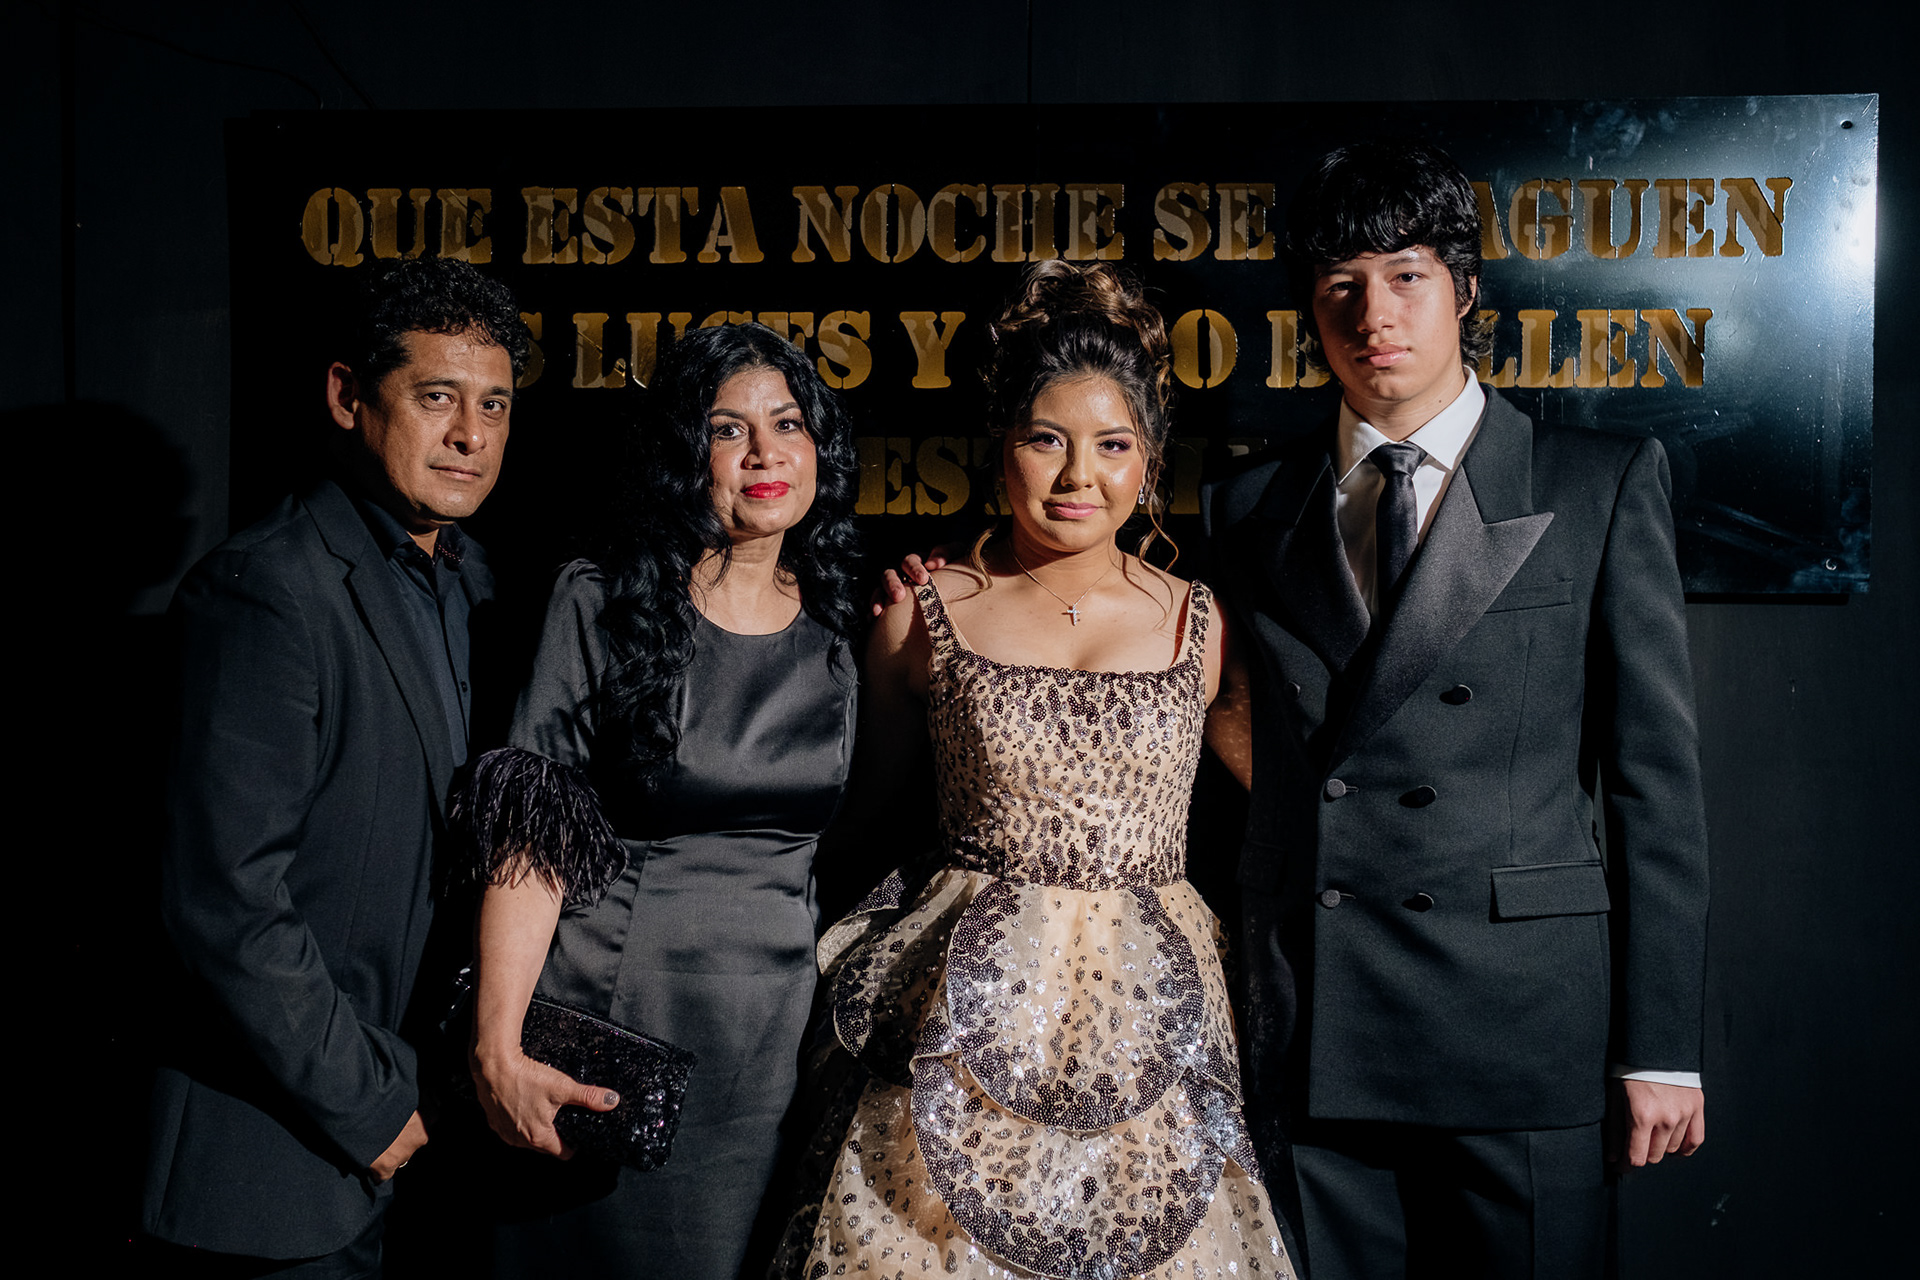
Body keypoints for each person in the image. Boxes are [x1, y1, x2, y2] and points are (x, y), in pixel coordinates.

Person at [1203, 139, 1710, 1278]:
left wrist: (1662, 1047)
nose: (1372, 314)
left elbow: (1654, 787)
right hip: (1318, 1016)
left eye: (1406, 276)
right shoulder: (1245, 503)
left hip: (1519, 1023)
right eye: (1340, 284)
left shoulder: (1595, 481)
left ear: (1466, 289)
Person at [777, 261, 1297, 1280]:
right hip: (962, 1018)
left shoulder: (1202, 621)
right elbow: (856, 821)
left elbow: (1293, 806)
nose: (1077, 476)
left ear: (1149, 459)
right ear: (1000, 447)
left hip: (1154, 1023)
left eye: (1113, 445)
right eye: (1045, 439)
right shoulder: (921, 612)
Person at [142, 258, 528, 1273]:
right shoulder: (264, 589)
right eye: (437, 396)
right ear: (349, 395)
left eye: (494, 404)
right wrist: (369, 1101)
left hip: (435, 1157)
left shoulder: (476, 585)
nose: (471, 433)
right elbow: (221, 899)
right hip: (280, 1162)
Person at [459, 321, 862, 1279]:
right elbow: (531, 842)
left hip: (772, 1052)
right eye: (728, 430)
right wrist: (496, 1047)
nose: (764, 453)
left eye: (788, 424)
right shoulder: (599, 599)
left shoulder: (841, 626)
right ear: (685, 454)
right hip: (619, 1026)